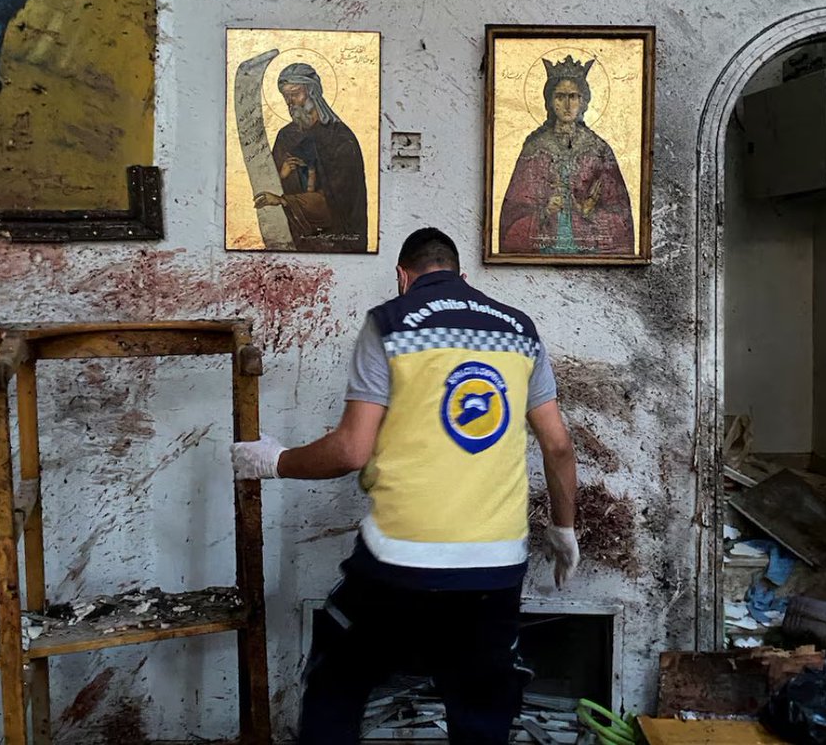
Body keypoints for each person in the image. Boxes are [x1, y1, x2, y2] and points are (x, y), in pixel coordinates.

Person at [232, 228, 579, 744]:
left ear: (402, 276)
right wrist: (563, 529)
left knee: (337, 684)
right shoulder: (520, 330)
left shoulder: (389, 324)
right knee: (481, 710)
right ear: (464, 277)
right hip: (495, 562)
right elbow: (558, 446)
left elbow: (351, 450)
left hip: (400, 562)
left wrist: (275, 461)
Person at [499, 55, 635, 256]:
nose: (567, 105)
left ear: (583, 102)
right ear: (550, 102)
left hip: (589, 251)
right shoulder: (534, 149)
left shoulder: (599, 150)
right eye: (560, 97)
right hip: (543, 250)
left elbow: (622, 219)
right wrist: (545, 212)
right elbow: (511, 219)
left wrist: (590, 211)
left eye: (574, 96)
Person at [254, 62, 369, 252]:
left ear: (313, 92)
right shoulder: (286, 137)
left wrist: (285, 201)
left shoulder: (341, 139)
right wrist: (282, 175)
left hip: (338, 242)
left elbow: (341, 202)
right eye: (285, 96)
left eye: (295, 93)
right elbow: (269, 190)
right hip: (296, 238)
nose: (290, 102)